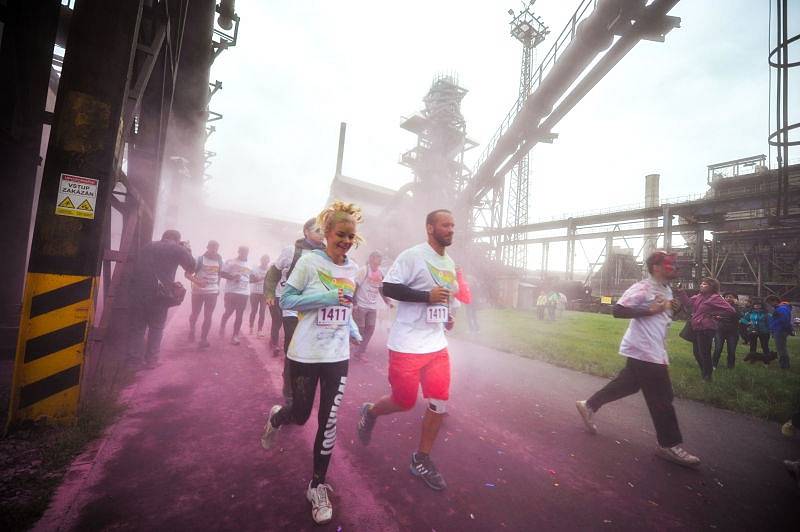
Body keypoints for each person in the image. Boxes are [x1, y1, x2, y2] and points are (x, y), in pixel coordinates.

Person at [260, 201, 363, 525]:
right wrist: (325, 298)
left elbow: (345, 305)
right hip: (305, 354)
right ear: (327, 234)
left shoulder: (353, 269)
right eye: (340, 235)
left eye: (351, 236)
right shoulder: (307, 262)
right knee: (301, 416)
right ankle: (279, 418)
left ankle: (316, 486)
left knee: (328, 422)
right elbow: (287, 300)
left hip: (337, 357)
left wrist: (352, 327)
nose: (346, 241)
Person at [357, 209, 459, 491]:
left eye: (453, 225)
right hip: (407, 344)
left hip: (436, 343)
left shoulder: (449, 262)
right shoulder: (412, 255)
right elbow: (389, 287)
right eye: (445, 225)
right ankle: (371, 412)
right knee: (404, 401)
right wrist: (426, 296)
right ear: (430, 228)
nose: (451, 229)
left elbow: (446, 296)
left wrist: (447, 314)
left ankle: (421, 458)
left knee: (439, 401)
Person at [575, 250, 701, 468]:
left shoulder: (666, 288)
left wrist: (670, 309)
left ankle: (589, 405)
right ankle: (669, 445)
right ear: (656, 267)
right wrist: (650, 309)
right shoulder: (643, 287)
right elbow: (618, 310)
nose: (674, 267)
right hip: (645, 349)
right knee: (662, 397)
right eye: (669, 264)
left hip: (651, 348)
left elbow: (663, 312)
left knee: (629, 385)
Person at [264, 218, 326, 402]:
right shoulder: (291, 251)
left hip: (314, 309)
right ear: (306, 231)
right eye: (317, 230)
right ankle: (289, 387)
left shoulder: (328, 254)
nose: (321, 233)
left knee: (311, 348)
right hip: (292, 307)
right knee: (293, 346)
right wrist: (268, 292)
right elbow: (273, 273)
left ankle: (302, 382)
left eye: (324, 230)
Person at [128, 230, 198, 368]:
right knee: (156, 327)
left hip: (139, 291)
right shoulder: (177, 248)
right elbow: (192, 266)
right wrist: (186, 249)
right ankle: (151, 361)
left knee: (138, 327)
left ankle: (133, 361)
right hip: (160, 294)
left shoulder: (148, 246)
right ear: (177, 239)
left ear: (164, 236)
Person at [676, 277, 736, 381]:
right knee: (697, 353)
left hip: (706, 328)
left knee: (704, 353)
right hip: (696, 327)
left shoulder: (715, 298)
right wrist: (681, 292)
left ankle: (707, 376)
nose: (701, 285)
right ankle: (705, 373)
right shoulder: (699, 296)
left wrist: (714, 313)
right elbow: (688, 303)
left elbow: (730, 310)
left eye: (704, 284)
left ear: (712, 287)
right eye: (701, 284)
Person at [352, 251, 393, 361]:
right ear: (370, 259)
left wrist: (386, 300)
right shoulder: (364, 270)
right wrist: (354, 302)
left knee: (370, 329)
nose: (378, 261)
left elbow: (380, 288)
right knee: (360, 329)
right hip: (360, 305)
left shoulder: (380, 273)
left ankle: (360, 352)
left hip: (372, 306)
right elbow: (355, 286)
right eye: (376, 258)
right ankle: (353, 345)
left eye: (379, 259)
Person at [188, 240, 223, 349]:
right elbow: (187, 274)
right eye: (212, 248)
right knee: (195, 313)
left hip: (212, 291)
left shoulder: (220, 260)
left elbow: (219, 274)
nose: (214, 250)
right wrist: (198, 282)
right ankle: (192, 329)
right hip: (198, 291)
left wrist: (217, 287)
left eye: (216, 248)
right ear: (207, 247)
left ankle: (203, 339)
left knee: (208, 316)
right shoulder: (199, 259)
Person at [219, 246, 252, 345]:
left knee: (239, 314)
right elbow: (221, 273)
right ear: (238, 252)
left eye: (246, 252)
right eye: (242, 252)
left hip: (244, 292)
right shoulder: (231, 262)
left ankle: (235, 335)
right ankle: (222, 324)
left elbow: (251, 277)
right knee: (229, 311)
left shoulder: (250, 264)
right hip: (231, 291)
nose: (244, 253)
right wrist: (232, 277)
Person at [712, 292, 741, 369]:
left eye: (730, 297)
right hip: (720, 330)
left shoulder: (736, 307)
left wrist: (737, 305)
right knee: (718, 348)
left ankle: (730, 366)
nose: (728, 298)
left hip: (732, 331)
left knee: (731, 350)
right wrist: (716, 317)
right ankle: (713, 365)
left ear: (735, 299)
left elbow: (739, 316)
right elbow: (713, 314)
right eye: (726, 297)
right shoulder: (719, 306)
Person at [766, 295, 793, 370]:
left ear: (774, 301)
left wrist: (782, 329)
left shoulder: (782, 309)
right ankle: (784, 364)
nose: (769, 305)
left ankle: (784, 366)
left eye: (769, 303)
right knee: (781, 348)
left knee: (781, 349)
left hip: (780, 331)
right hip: (778, 330)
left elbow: (785, 320)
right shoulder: (779, 309)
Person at [248, 254, 270, 337]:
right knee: (254, 310)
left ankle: (259, 330)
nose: (265, 262)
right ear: (261, 261)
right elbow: (250, 280)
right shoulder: (255, 269)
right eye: (264, 260)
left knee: (262, 312)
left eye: (267, 261)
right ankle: (251, 326)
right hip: (254, 293)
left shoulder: (269, 270)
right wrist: (257, 279)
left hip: (264, 294)